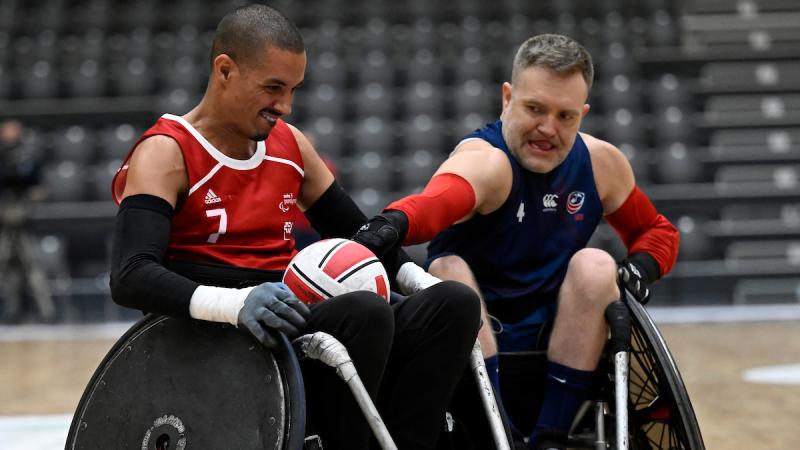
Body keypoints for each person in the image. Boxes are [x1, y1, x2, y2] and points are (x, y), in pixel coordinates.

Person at [108, 5, 480, 450]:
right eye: (273, 88)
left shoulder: (289, 145)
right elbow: (130, 275)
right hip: (216, 332)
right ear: (225, 70)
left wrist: (416, 279)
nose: (284, 106)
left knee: (453, 303)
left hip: (290, 320)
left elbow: (361, 235)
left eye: (292, 90)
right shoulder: (167, 151)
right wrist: (235, 303)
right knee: (362, 312)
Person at [353, 34, 680, 449]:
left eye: (565, 116)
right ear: (507, 98)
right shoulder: (486, 161)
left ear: (583, 114)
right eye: (535, 109)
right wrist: (393, 223)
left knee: (597, 265)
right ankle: (499, 436)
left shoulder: (600, 163)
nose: (548, 129)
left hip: (560, 334)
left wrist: (641, 268)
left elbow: (658, 232)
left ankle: (549, 438)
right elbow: (437, 203)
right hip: (471, 343)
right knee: (447, 270)